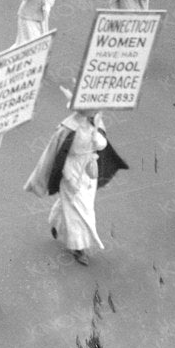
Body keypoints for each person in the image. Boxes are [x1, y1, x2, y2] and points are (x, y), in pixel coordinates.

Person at [25, 110, 112, 266]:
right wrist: (68, 175)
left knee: (77, 204)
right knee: (80, 209)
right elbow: (61, 151)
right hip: (71, 170)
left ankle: (56, 223)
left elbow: (102, 145)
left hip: (89, 171)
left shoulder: (97, 121)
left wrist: (97, 137)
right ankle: (78, 248)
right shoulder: (69, 127)